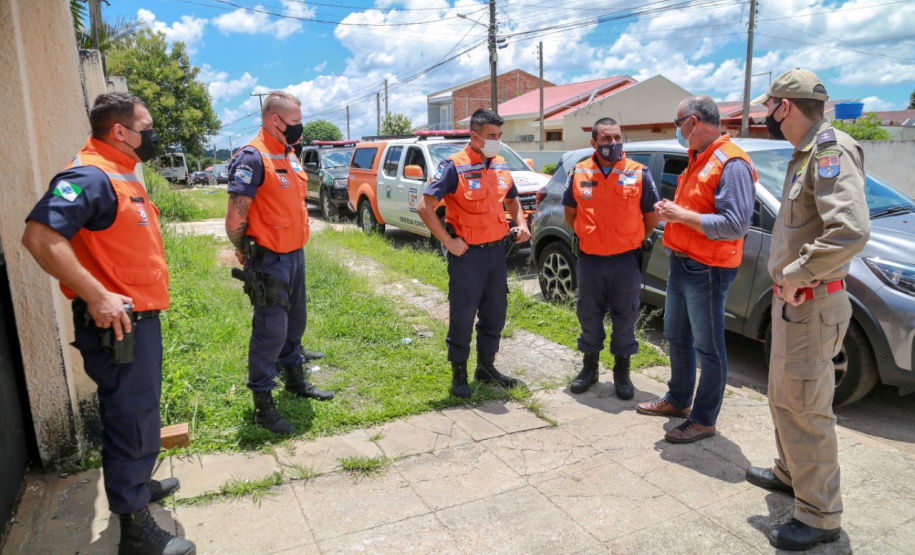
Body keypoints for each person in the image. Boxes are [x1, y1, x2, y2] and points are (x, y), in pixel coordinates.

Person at [21, 92, 194, 555]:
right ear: (120, 131)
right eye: (148, 125)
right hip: (118, 325)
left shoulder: (120, 173)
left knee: (139, 412)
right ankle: (136, 530)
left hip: (138, 320)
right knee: (131, 419)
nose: (153, 134)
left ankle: (136, 486)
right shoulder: (89, 176)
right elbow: (39, 236)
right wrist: (97, 295)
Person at [745, 69, 870, 551]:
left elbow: (850, 231)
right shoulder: (806, 153)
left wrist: (797, 274)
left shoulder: (829, 151)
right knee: (784, 397)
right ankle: (790, 475)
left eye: (769, 108)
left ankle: (819, 514)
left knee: (806, 407)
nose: (766, 116)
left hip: (811, 301)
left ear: (786, 108)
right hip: (795, 304)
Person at [635, 95, 755, 443]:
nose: (677, 130)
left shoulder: (732, 162)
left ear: (695, 121)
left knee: (709, 347)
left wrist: (680, 215)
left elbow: (735, 223)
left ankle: (703, 419)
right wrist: (673, 209)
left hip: (708, 269)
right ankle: (678, 400)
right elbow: (697, 208)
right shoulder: (699, 157)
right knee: (676, 336)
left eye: (678, 124)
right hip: (683, 261)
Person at [225, 91, 333, 435]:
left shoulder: (288, 154)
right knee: (270, 330)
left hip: (295, 254)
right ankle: (263, 405)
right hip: (269, 258)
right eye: (295, 122)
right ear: (275, 121)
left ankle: (295, 381)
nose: (299, 128)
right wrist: (243, 248)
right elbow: (235, 218)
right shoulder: (252, 158)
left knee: (294, 323)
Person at [417, 108, 531, 398]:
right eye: (491, 136)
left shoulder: (501, 164)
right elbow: (425, 207)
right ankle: (459, 374)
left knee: (495, 314)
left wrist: (521, 223)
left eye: (499, 136)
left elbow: (512, 199)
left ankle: (486, 367)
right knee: (463, 316)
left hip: (497, 254)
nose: (496, 141)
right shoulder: (454, 165)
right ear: (474, 136)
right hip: (468, 257)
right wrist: (448, 242)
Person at [563, 118, 660, 398]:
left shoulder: (639, 173)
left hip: (625, 260)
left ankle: (622, 373)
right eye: (606, 139)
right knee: (589, 315)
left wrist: (627, 236)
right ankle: (589, 369)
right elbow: (570, 213)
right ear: (594, 143)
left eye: (617, 137)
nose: (612, 144)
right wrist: (589, 233)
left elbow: (651, 217)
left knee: (625, 316)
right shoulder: (579, 171)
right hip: (591, 260)